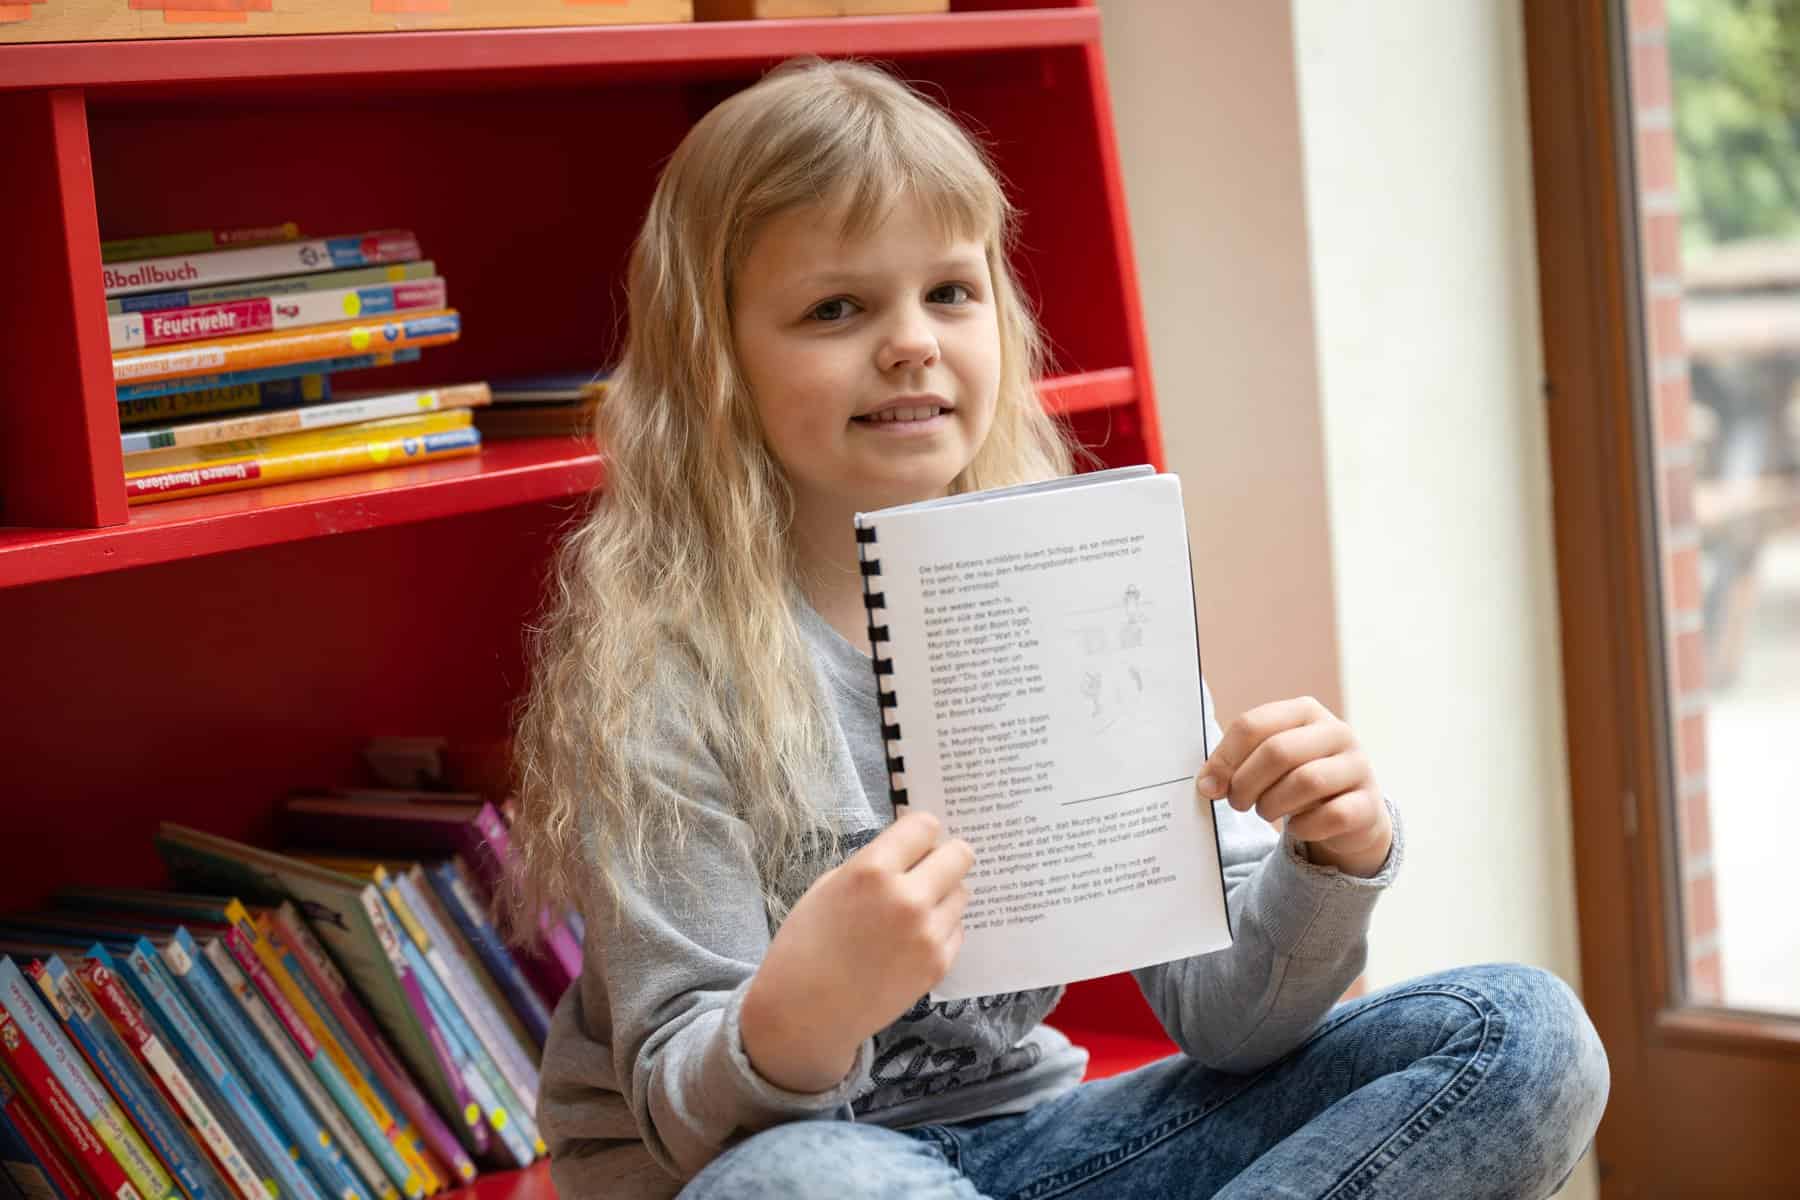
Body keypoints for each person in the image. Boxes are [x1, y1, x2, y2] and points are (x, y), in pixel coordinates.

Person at [505, 56, 1609, 1199]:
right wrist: (806, 1005)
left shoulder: (1065, 588)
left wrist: (1333, 856)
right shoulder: (668, 675)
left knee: (1521, 1036)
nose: (911, 342)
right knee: (801, 1183)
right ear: (716, 361)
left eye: (950, 292)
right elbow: (693, 1125)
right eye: (837, 307)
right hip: (782, 1169)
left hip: (1032, 1144)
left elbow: (1229, 1020)